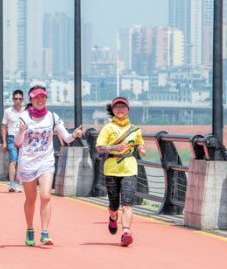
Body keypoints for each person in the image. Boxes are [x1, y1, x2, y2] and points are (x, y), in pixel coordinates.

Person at [14, 86, 83, 247]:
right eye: (37, 97)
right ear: (31, 100)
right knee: (31, 200)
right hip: (28, 163)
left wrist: (75, 134)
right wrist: (21, 132)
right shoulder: (24, 118)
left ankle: (45, 233)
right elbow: (17, 143)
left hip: (45, 161)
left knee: (46, 196)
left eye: (43, 97)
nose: (40, 100)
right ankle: (30, 229)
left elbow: (66, 138)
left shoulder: (52, 117)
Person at [95, 97, 146, 247]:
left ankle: (125, 232)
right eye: (116, 107)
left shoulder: (135, 129)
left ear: (128, 109)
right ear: (112, 110)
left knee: (127, 204)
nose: (120, 109)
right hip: (111, 169)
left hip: (129, 168)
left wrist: (141, 149)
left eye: (123, 106)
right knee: (113, 204)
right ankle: (112, 217)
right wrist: (115, 148)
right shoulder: (108, 128)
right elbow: (99, 147)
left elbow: (139, 142)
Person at [1, 90, 24, 192]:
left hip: (24, 139)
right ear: (12, 99)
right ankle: (11, 184)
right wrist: (4, 142)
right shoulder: (8, 111)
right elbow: (4, 127)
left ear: (22, 100)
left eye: (19, 99)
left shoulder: (27, 111)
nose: (17, 101)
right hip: (12, 139)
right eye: (15, 99)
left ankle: (18, 183)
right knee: (13, 161)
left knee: (21, 162)